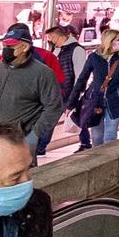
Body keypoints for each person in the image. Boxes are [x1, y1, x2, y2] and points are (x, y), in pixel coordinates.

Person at [0, 24, 64, 160]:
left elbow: (54, 107)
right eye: (4, 45)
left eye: (10, 46)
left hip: (17, 145)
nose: (6, 49)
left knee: (16, 179)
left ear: (25, 47)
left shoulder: (42, 73)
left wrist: (34, 136)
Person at [72, 28, 119, 148]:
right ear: (109, 41)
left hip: (116, 100)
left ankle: (109, 162)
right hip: (95, 101)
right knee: (96, 136)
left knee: (110, 135)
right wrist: (71, 103)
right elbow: (82, 79)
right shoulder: (94, 57)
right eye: (118, 40)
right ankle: (98, 161)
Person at [39, 24, 82, 156]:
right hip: (54, 91)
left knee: (77, 118)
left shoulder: (77, 49)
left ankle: (85, 143)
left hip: (67, 91)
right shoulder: (57, 49)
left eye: (50, 38)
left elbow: (80, 73)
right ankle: (40, 147)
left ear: (56, 36)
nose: (49, 41)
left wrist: (76, 93)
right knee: (49, 119)